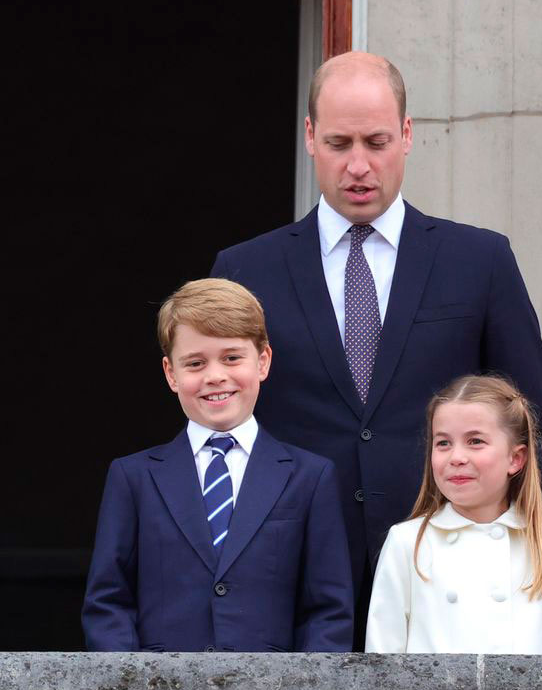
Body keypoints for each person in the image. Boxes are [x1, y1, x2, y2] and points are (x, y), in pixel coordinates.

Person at [210, 52, 542, 647]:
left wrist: (474, 542)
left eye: (376, 141)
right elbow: (217, 433)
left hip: (450, 598)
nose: (358, 165)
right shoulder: (246, 270)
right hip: (290, 596)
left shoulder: (479, 262)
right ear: (308, 137)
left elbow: (540, 434)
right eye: (338, 142)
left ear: (407, 135)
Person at [82, 279, 354, 652]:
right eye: (195, 363)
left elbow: (327, 611)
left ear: (263, 361)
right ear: (171, 373)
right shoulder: (133, 477)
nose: (214, 376)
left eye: (231, 358)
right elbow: (108, 602)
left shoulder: (310, 477)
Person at [364, 375, 542, 654]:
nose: (456, 457)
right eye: (443, 443)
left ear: (516, 458)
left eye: (475, 441)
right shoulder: (406, 542)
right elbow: (383, 663)